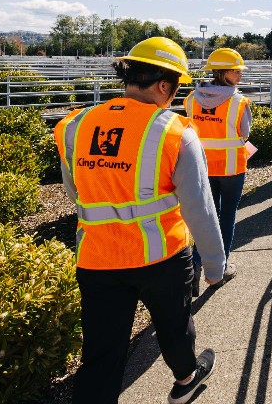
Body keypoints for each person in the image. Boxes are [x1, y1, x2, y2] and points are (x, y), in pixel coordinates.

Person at [55, 36, 225, 404]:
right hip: (161, 255)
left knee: (101, 350)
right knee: (175, 329)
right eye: (176, 86)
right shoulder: (176, 131)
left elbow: (75, 191)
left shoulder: (75, 125)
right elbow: (199, 207)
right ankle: (185, 381)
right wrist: (214, 264)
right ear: (164, 84)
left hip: (97, 257)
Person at [183, 48, 251, 292]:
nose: (240, 75)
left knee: (204, 217)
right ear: (223, 72)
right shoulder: (238, 102)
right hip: (232, 168)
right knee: (227, 216)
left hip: (201, 166)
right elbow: (245, 134)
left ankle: (197, 264)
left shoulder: (191, 98)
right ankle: (220, 269)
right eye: (236, 71)